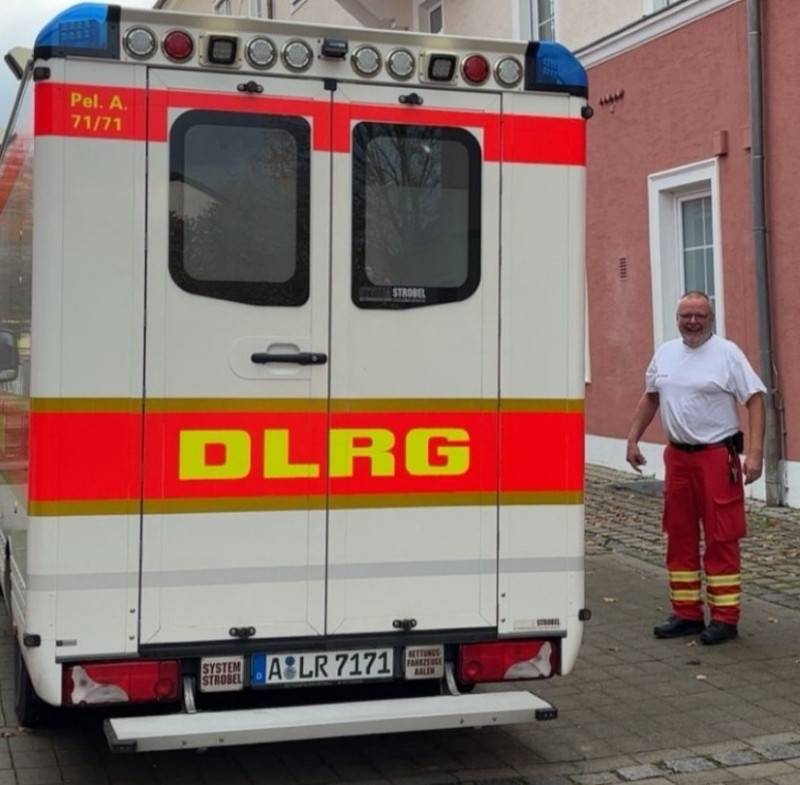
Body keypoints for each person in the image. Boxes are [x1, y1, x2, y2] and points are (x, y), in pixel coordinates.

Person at [626, 291, 766, 645]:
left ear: (711, 318)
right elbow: (651, 396)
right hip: (678, 458)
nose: (692, 322)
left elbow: (755, 399)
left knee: (722, 536)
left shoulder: (727, 354)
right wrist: (633, 438)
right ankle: (686, 613)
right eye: (685, 316)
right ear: (677, 319)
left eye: (699, 316)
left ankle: (725, 618)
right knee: (680, 535)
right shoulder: (666, 353)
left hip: (716, 457)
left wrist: (755, 453)